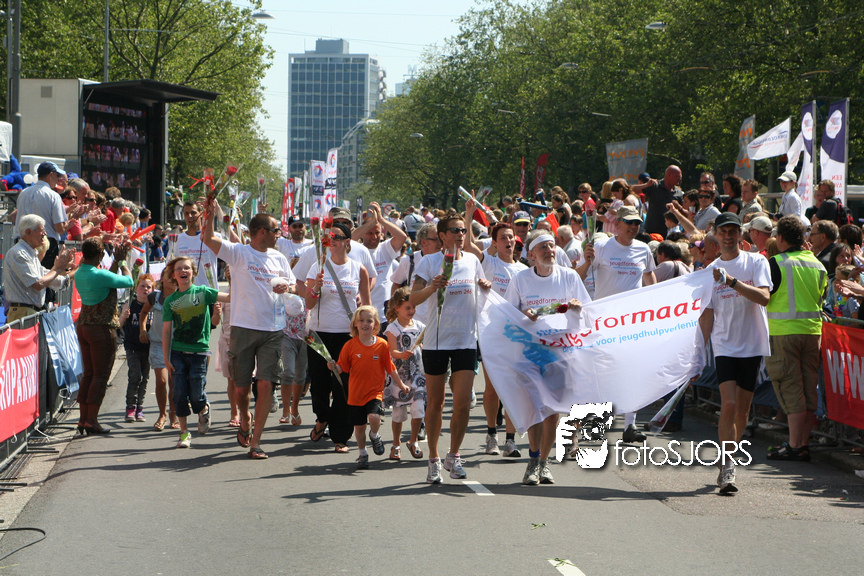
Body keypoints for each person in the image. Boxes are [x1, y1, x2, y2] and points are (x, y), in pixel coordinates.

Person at [201, 201, 295, 458]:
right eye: (276, 230)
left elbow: (293, 285)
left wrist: (288, 287)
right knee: (241, 389)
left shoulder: (279, 257)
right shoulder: (239, 253)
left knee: (265, 385)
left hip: (273, 330)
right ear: (262, 231)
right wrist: (209, 214)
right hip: (242, 329)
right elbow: (208, 238)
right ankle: (245, 417)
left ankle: (256, 441)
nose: (279, 235)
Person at [505, 230, 590, 485]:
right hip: (530, 352)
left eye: (552, 246)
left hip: (561, 352)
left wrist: (578, 308)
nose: (549, 251)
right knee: (535, 407)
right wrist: (523, 316)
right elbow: (507, 315)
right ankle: (533, 460)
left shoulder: (569, 276)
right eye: (543, 247)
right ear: (532, 254)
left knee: (552, 411)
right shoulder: (520, 279)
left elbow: (587, 309)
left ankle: (543, 463)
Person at [411, 211, 490, 483]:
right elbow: (413, 298)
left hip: (465, 340)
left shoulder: (472, 261)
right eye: (455, 231)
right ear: (442, 236)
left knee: (463, 403)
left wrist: (485, 286)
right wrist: (431, 288)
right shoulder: (429, 262)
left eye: (463, 230)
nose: (460, 235)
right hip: (436, 341)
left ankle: (453, 456)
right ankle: (433, 458)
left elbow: (481, 290)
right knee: (436, 402)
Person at [699, 213, 772, 493]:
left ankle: (727, 455)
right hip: (724, 346)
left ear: (741, 234)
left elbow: (764, 297)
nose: (728, 236)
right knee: (728, 405)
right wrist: (698, 352)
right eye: (723, 231)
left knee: (742, 411)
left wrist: (732, 283)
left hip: (752, 344)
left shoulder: (756, 262)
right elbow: (707, 315)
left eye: (733, 231)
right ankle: (728, 465)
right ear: (716, 236)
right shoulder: (710, 271)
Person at [578, 205, 656, 440]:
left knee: (632, 372)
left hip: (632, 321)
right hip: (604, 322)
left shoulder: (643, 249)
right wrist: (587, 260)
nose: (633, 227)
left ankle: (630, 426)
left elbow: (649, 277)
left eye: (637, 223)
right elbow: (579, 276)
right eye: (629, 222)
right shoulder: (601, 247)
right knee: (603, 374)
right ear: (617, 224)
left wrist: (656, 304)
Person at [463, 211, 526, 457]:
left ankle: (510, 441)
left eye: (511, 237)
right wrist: (469, 215)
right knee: (492, 388)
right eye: (503, 238)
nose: (509, 241)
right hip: (491, 333)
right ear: (495, 242)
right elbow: (468, 245)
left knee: (512, 388)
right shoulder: (488, 263)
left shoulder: (523, 270)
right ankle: (491, 434)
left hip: (515, 335)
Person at [305, 222, 371, 453]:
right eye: (328, 236)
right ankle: (322, 417)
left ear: (347, 241)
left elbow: (367, 308)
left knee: (343, 387)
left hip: (347, 336)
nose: (331, 240)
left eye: (337, 236)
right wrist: (316, 288)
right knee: (319, 386)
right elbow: (308, 303)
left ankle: (340, 436)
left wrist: (368, 335)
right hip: (319, 335)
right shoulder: (317, 267)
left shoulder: (358, 269)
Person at [764, 216, 827, 462]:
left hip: (784, 333)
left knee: (790, 388)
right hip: (812, 332)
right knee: (809, 389)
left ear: (780, 238)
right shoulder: (818, 264)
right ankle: (802, 444)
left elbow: (764, 296)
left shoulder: (776, 263)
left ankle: (794, 445)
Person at [161, 256, 230, 449]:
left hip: (199, 352)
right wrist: (166, 358)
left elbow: (229, 297)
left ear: (193, 272)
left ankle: (204, 408)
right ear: (173, 275)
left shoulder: (203, 292)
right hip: (177, 352)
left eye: (187, 268)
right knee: (178, 395)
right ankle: (184, 433)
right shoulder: (171, 301)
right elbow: (166, 331)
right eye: (179, 269)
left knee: (197, 395)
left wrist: (234, 280)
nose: (183, 271)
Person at [329, 306, 408, 469]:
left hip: (375, 392)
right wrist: (333, 367)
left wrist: (401, 384)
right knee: (359, 428)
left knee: (374, 417)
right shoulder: (350, 345)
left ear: (376, 324)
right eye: (361, 320)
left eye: (369, 321)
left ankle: (375, 434)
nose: (365, 324)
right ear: (355, 324)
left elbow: (390, 367)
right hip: (355, 394)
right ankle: (362, 454)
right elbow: (341, 367)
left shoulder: (382, 344)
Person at [75, 237, 135, 434]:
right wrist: (123, 262)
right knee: (100, 375)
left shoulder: (81, 272)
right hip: (101, 328)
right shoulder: (99, 274)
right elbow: (129, 281)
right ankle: (92, 420)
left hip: (84, 326)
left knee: (89, 374)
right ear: (101, 255)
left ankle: (83, 419)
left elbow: (107, 279)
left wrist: (115, 261)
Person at [3, 215, 75, 324]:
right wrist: (58, 268)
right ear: (28, 232)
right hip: (23, 314)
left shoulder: (29, 254)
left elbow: (50, 279)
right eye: (41, 230)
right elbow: (38, 284)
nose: (45, 233)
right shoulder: (19, 254)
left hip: (29, 313)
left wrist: (68, 268)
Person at [383, 287, 427, 460]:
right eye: (407, 308)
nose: (411, 311)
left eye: (413, 307)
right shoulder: (392, 328)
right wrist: (401, 355)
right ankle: (396, 444)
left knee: (419, 408)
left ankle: (413, 441)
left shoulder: (420, 326)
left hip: (417, 374)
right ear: (397, 308)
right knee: (399, 412)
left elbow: (422, 346)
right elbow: (392, 351)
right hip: (399, 375)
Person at [13, 162, 76, 268]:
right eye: (57, 176)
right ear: (50, 175)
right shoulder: (53, 196)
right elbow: (59, 228)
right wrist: (68, 224)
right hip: (45, 245)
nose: (59, 179)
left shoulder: (23, 193)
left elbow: (14, 217)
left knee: (23, 276)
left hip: (22, 243)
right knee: (46, 277)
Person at [352, 202, 408, 321]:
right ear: (363, 233)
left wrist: (381, 220)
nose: (374, 237)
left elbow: (402, 237)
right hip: (364, 313)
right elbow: (349, 239)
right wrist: (370, 223)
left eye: (377, 233)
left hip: (385, 314)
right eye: (370, 233)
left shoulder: (385, 248)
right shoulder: (357, 250)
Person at [138, 266, 177, 431]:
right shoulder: (154, 297)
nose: (172, 279)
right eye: (168, 276)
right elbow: (143, 313)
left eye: (174, 276)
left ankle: (174, 414)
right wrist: (142, 329)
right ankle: (162, 414)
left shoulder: (183, 296)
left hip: (177, 345)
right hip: (157, 343)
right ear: (162, 279)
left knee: (174, 382)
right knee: (161, 381)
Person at [120, 273, 155, 423]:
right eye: (142, 286)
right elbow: (119, 325)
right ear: (136, 289)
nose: (145, 289)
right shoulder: (129, 305)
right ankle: (130, 407)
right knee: (135, 375)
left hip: (148, 347)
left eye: (149, 287)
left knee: (145, 378)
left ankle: (140, 407)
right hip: (132, 346)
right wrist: (123, 316)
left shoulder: (154, 307)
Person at [174, 200, 221, 288]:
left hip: (209, 293)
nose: (190, 216)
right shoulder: (177, 240)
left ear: (201, 214)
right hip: (186, 293)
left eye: (193, 212)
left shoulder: (214, 237)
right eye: (186, 213)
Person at [632, 165, 682, 236]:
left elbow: (686, 214)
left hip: (671, 233)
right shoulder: (655, 186)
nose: (679, 179)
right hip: (652, 231)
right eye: (677, 176)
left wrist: (679, 207)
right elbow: (630, 190)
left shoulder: (679, 192)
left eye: (680, 177)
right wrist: (646, 185)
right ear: (669, 175)